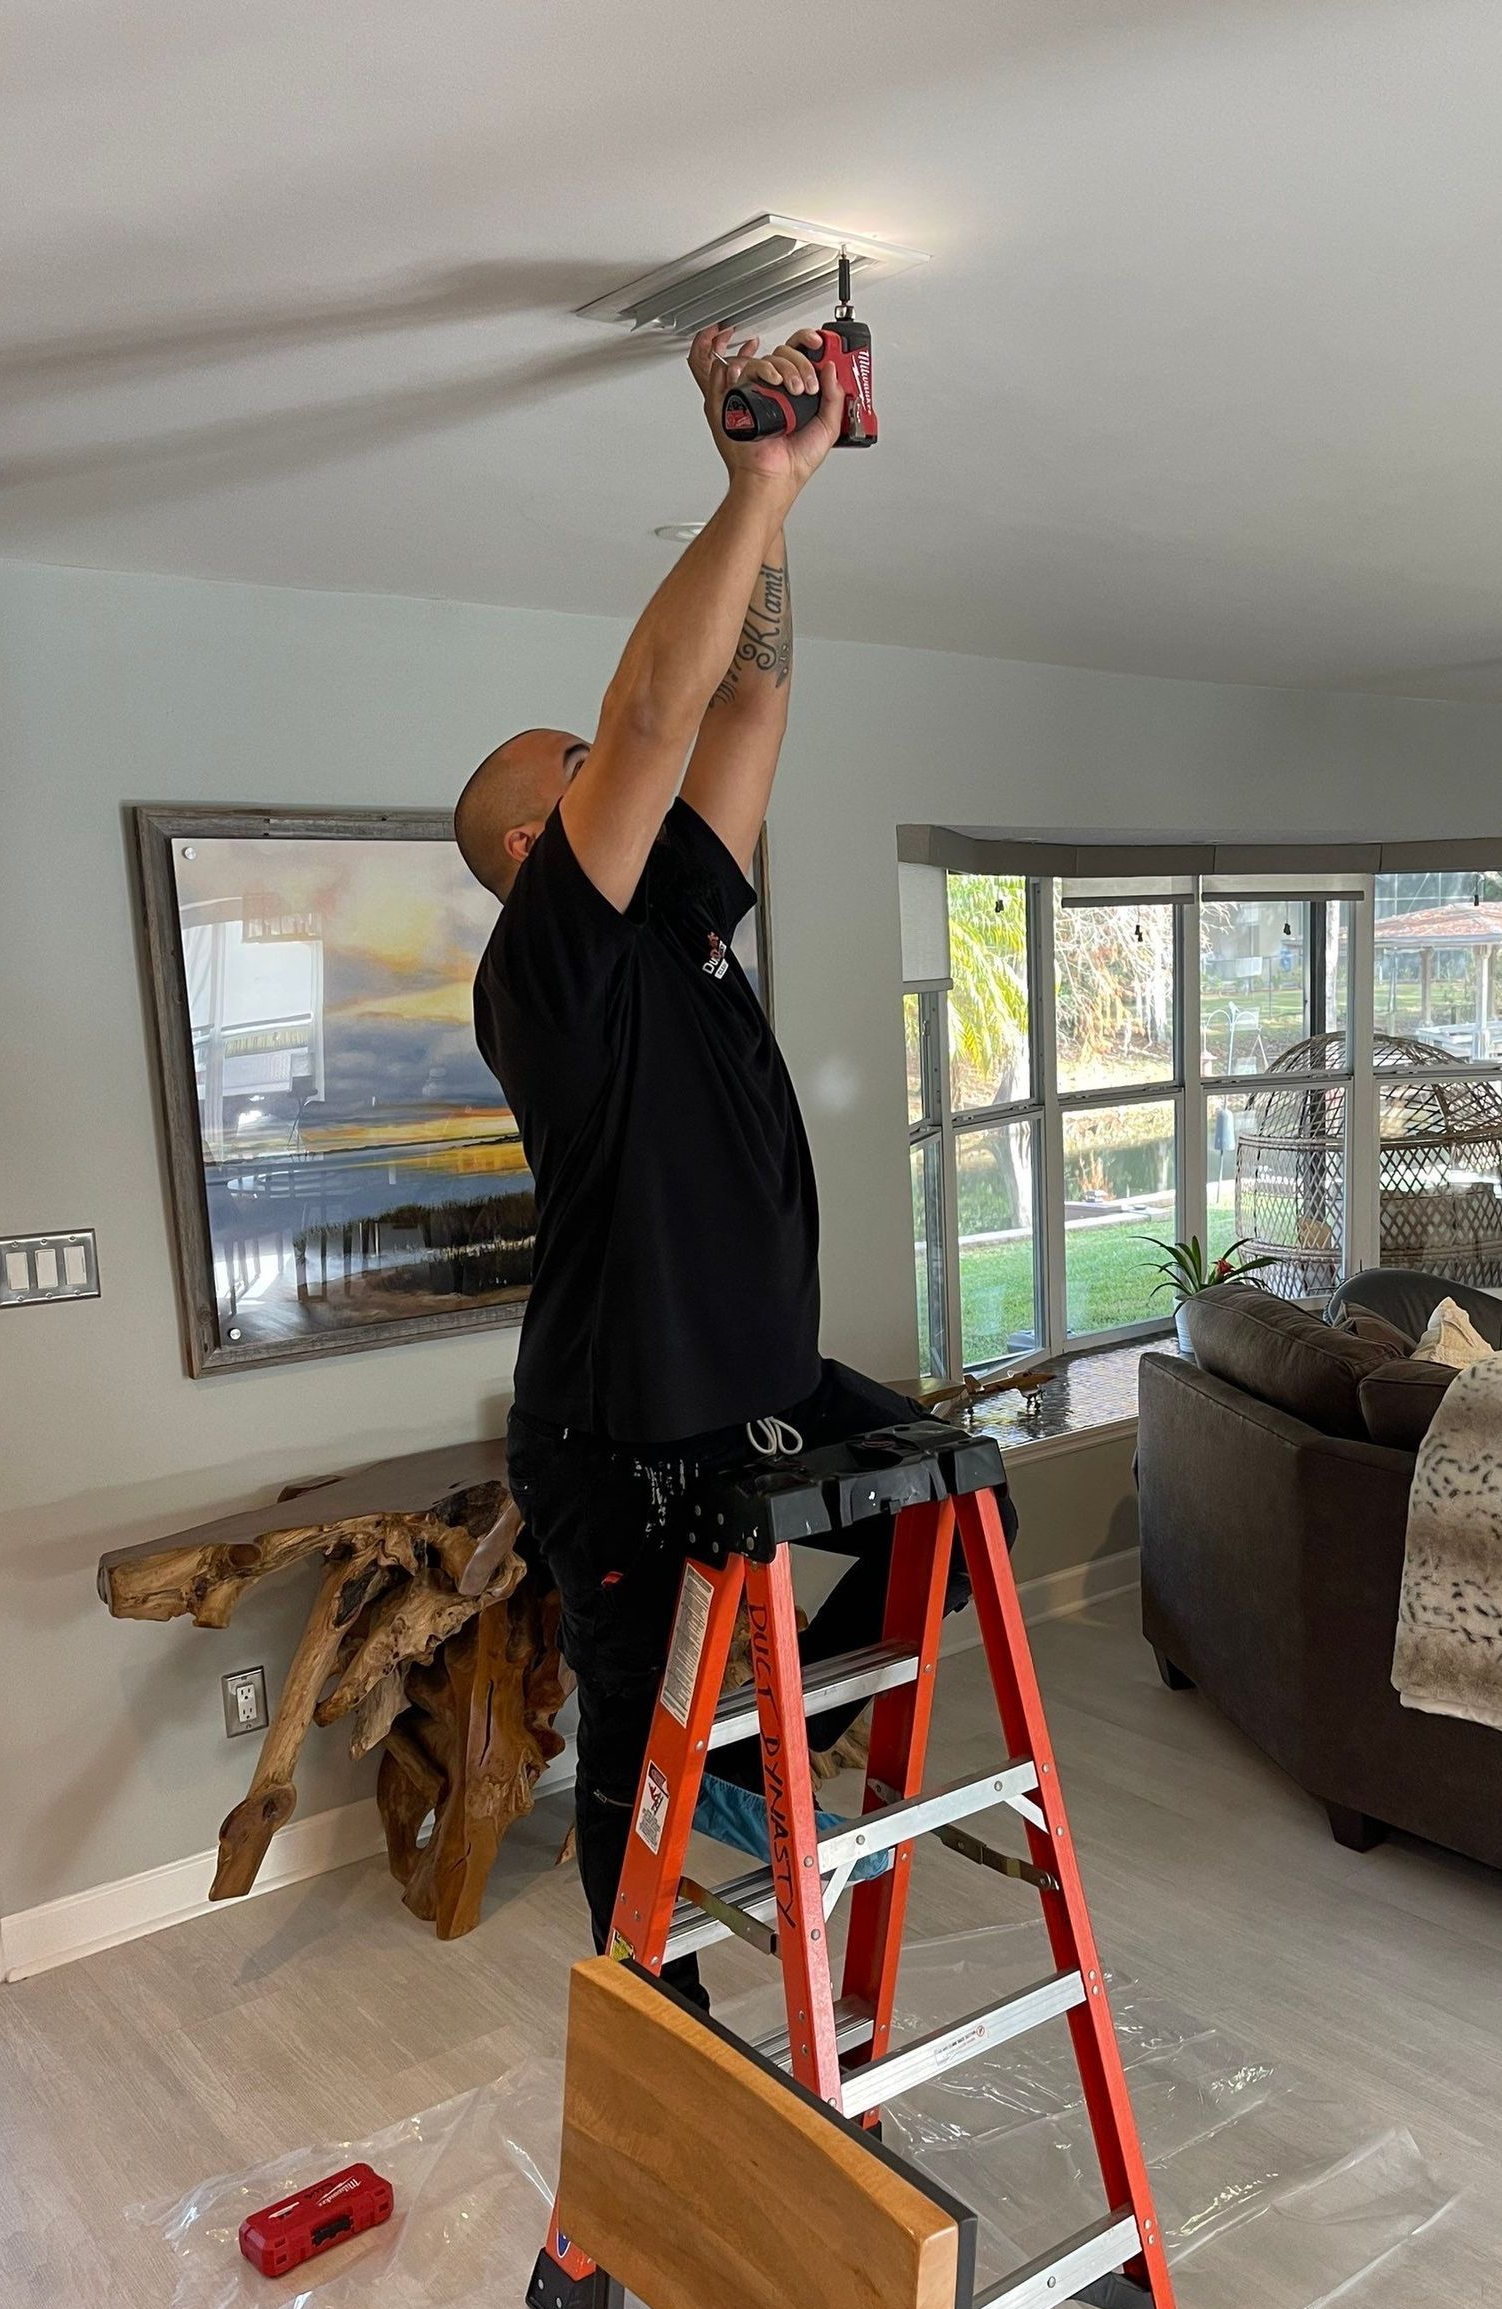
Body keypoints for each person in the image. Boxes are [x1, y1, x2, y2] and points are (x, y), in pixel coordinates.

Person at [456, 323, 1013, 1983]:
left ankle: (772, 1759)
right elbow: (653, 706)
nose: (624, 761)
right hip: (618, 1425)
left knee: (955, 1515)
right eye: (575, 772)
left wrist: (792, 502)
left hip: (757, 1375)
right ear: (529, 841)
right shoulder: (543, 969)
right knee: (633, 1777)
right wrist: (748, 474)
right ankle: (668, 2054)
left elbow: (748, 693)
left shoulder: (681, 916)